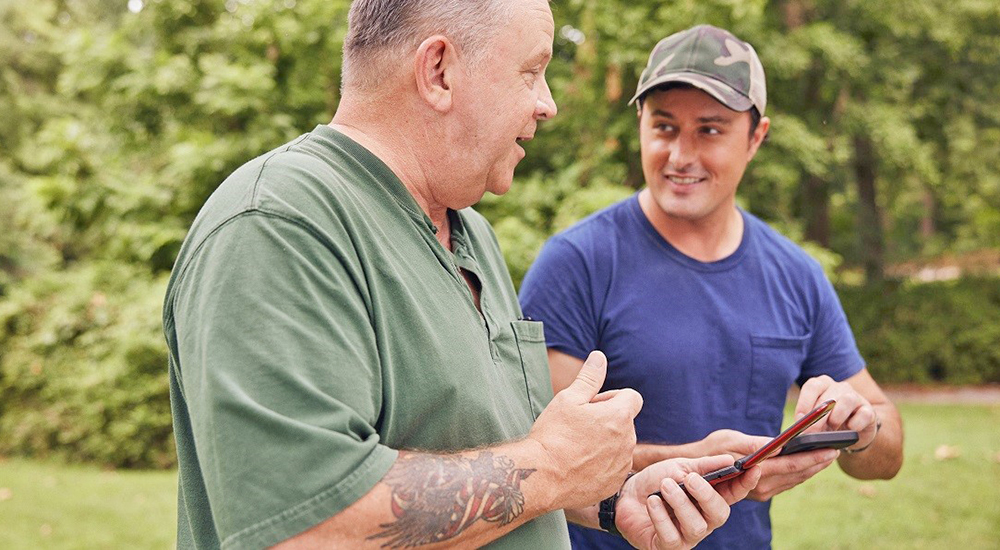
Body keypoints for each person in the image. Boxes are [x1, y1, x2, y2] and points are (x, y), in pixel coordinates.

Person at [163, 5, 762, 550]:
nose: (547, 103)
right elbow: (305, 526)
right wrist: (552, 466)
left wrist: (608, 496)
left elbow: (495, 456)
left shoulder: (471, 232)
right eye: (531, 72)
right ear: (440, 72)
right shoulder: (277, 225)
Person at [519, 24, 904, 549]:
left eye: (710, 130)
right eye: (664, 127)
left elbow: (888, 451)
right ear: (639, 124)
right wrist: (696, 461)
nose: (680, 155)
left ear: (757, 137)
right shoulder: (576, 263)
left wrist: (861, 429)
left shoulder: (796, 275)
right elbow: (534, 456)